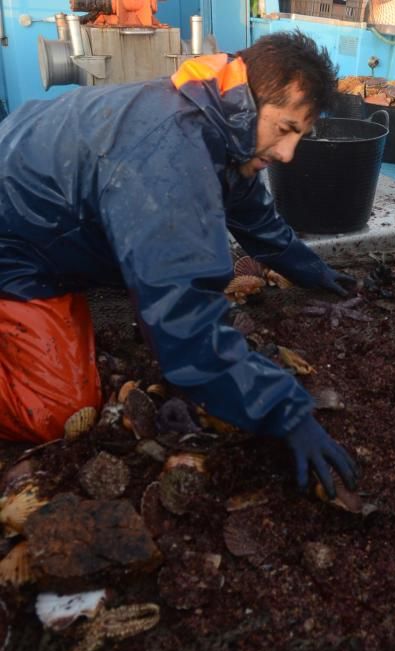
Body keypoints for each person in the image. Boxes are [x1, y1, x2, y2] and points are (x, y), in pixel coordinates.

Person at [0, 30, 358, 498]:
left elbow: (251, 212)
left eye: (300, 137)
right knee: (58, 410)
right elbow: (183, 326)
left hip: (45, 208)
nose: (288, 155)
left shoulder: (216, 119)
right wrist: (286, 411)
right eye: (286, 130)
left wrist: (309, 268)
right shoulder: (171, 157)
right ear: (252, 102)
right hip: (16, 243)